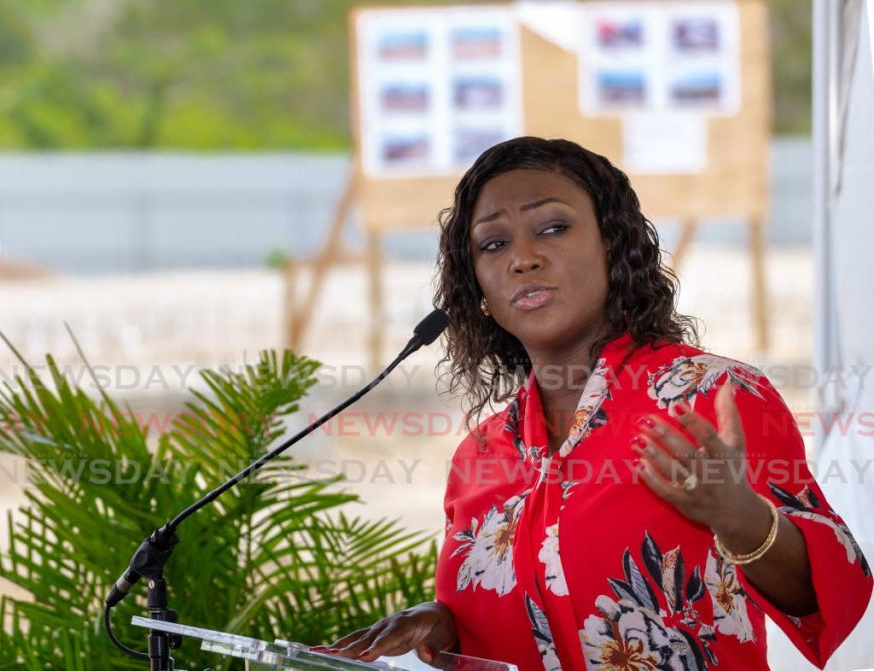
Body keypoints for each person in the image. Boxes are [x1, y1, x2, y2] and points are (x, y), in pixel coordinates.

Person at [315, 137, 872, 670]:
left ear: (613, 245)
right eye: (494, 244)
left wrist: (740, 517)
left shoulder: (710, 397)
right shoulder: (478, 457)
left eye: (552, 228)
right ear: (477, 288)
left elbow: (832, 593)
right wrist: (447, 626)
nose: (523, 259)